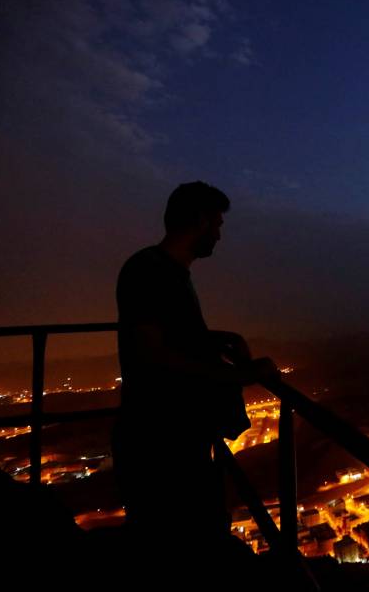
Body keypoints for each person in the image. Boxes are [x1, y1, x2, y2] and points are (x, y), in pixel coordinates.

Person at [111, 181, 278, 570]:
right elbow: (151, 353)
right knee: (183, 546)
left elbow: (169, 336)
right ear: (200, 221)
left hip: (169, 434)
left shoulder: (165, 271)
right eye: (217, 223)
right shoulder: (152, 271)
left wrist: (217, 339)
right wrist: (241, 376)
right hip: (162, 438)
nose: (220, 233)